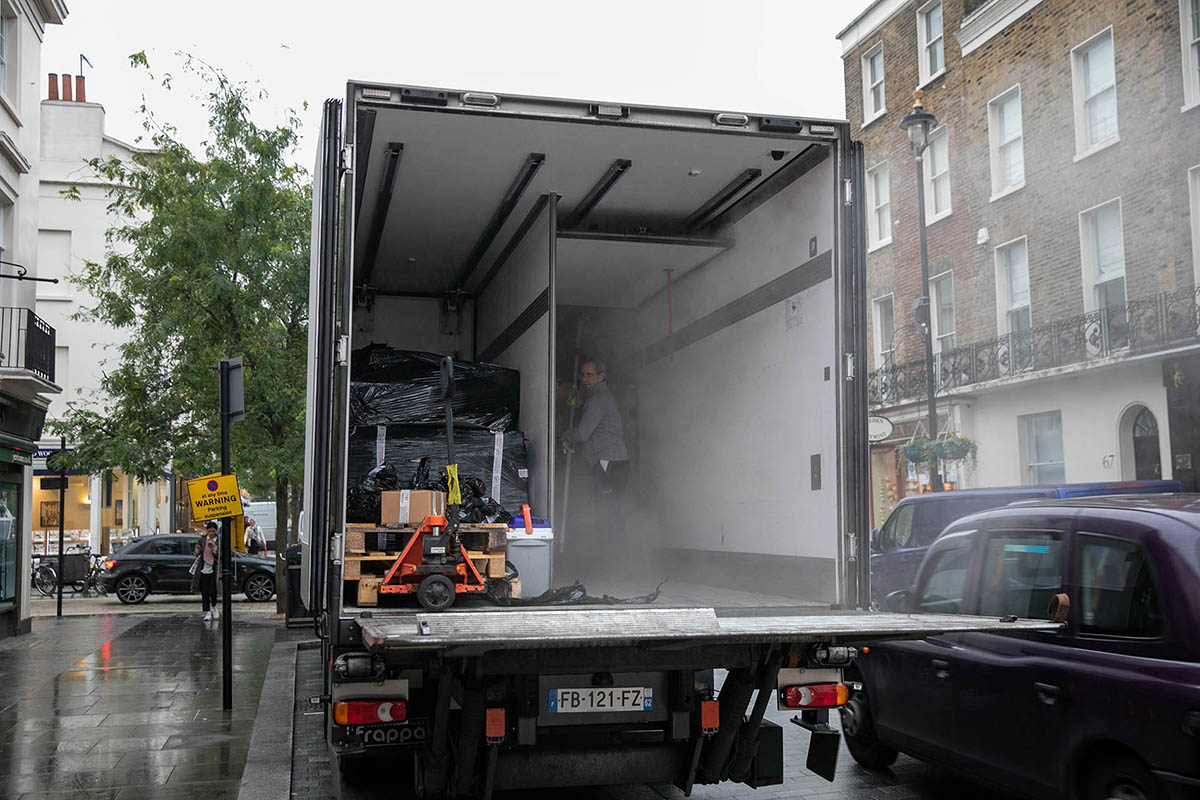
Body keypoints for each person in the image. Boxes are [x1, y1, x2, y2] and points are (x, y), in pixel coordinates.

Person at [563, 358, 630, 498]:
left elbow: (582, 434)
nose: (584, 379)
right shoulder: (601, 397)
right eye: (582, 375)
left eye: (589, 375)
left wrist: (566, 436)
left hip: (608, 461)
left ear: (601, 376)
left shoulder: (598, 399)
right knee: (611, 507)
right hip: (615, 461)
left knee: (606, 507)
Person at [192, 521, 220, 622]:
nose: (211, 533)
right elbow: (197, 554)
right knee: (204, 592)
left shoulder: (218, 541)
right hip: (203, 569)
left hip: (214, 569)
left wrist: (214, 549)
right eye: (209, 531)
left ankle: (214, 607)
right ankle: (207, 612)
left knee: (213, 591)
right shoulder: (202, 540)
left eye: (213, 531)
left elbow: (220, 556)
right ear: (207, 531)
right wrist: (197, 549)